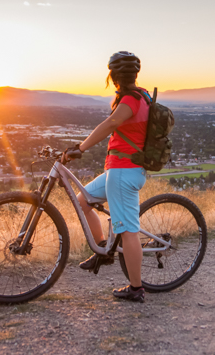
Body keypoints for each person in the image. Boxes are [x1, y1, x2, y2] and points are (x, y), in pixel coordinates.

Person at [61, 51, 149, 303]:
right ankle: (104, 250)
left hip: (123, 172)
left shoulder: (130, 100)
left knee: (128, 231)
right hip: (118, 170)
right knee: (83, 200)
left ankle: (136, 288)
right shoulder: (141, 95)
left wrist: (81, 147)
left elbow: (110, 124)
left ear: (114, 76)